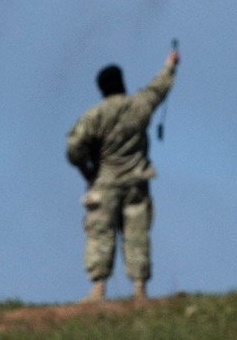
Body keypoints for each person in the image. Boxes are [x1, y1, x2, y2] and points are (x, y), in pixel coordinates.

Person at [66, 47, 178, 302]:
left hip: (104, 183)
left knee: (100, 233)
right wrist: (170, 64)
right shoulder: (139, 105)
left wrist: (87, 171)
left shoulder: (94, 115)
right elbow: (158, 89)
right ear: (122, 83)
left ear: (101, 89)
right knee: (137, 233)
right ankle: (139, 289)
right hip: (137, 183)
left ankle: (98, 289)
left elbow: (73, 148)